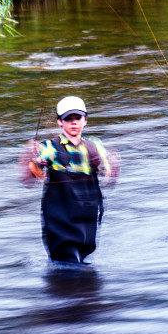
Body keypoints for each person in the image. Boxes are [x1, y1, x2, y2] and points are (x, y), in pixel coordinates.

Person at [20, 96, 120, 264]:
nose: (74, 123)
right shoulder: (49, 147)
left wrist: (114, 167)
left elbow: (109, 179)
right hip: (60, 221)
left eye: (78, 118)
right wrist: (29, 160)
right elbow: (29, 179)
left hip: (86, 220)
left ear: (85, 120)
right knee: (68, 259)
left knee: (81, 260)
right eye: (68, 119)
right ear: (60, 122)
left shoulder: (95, 146)